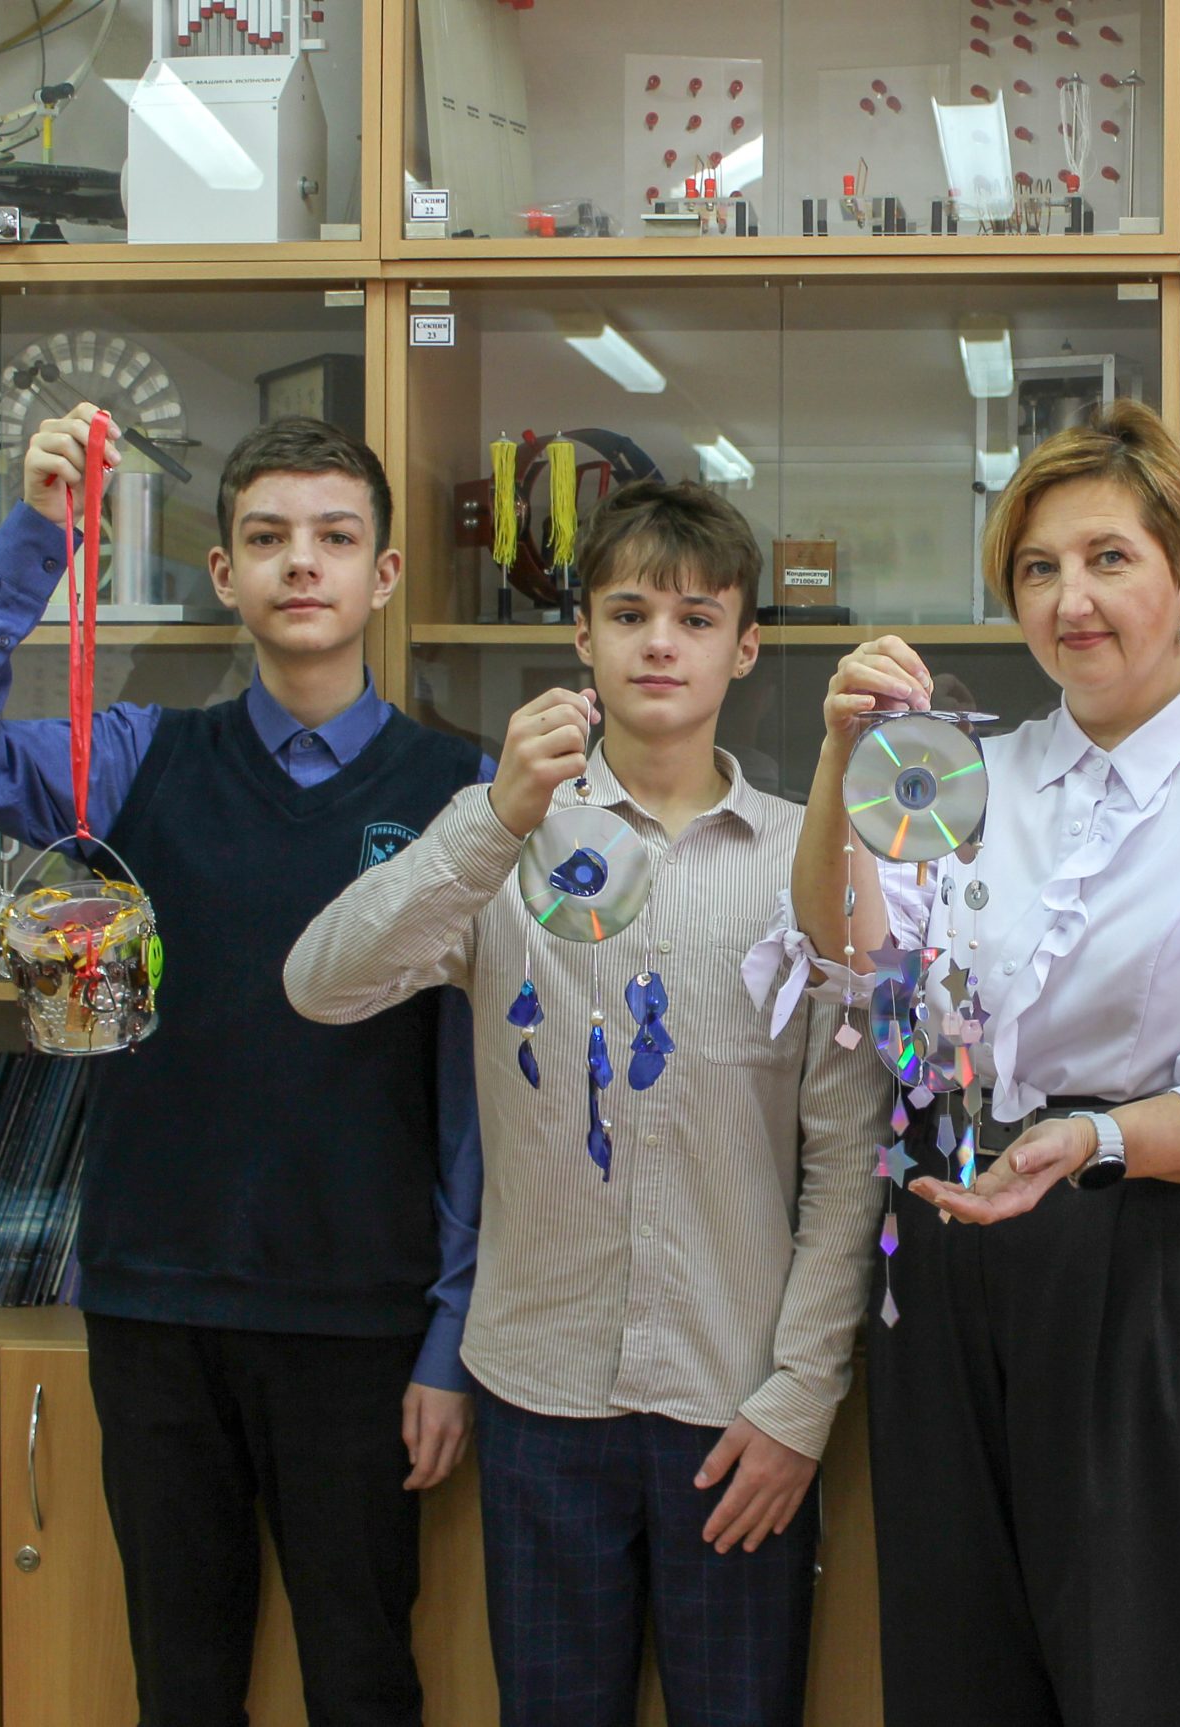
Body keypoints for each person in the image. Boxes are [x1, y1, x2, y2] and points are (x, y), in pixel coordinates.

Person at [751, 399, 1180, 1727]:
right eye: (1038, 568)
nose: (1069, 599)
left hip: (1152, 1271)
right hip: (953, 1248)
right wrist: (844, 760)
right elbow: (860, 961)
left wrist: (1091, 1140)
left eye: (1107, 558)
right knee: (957, 1670)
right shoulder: (974, 769)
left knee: (1150, 1679)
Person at [0, 412, 483, 1726]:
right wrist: (42, 534)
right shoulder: (132, 757)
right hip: (155, 1297)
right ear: (224, 572)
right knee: (182, 1682)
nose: (301, 561)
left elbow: (481, 1096)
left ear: (384, 573)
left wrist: (450, 1330)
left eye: (335, 537)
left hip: (361, 1310)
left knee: (366, 1676)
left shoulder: (463, 790)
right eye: (267, 537)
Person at [285, 478, 883, 1727]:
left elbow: (846, 1151)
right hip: (539, 1394)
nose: (660, 642)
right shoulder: (502, 835)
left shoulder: (806, 858)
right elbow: (321, 983)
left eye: (695, 617)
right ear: (582, 639)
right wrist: (497, 817)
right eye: (628, 614)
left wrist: (800, 1397)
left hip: (739, 1402)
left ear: (745, 646)